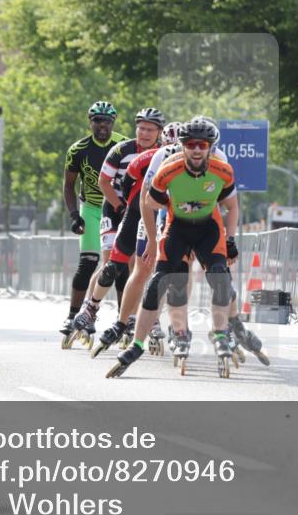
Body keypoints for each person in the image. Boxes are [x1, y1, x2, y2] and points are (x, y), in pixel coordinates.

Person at [107, 116, 239, 378]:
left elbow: (232, 206)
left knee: (221, 280)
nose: (197, 149)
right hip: (177, 227)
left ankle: (221, 334)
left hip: (208, 230)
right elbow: (147, 202)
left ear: (211, 146)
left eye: (202, 144)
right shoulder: (169, 168)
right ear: (183, 146)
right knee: (158, 283)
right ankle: (137, 345)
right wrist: (154, 240)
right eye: (191, 144)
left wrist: (231, 239)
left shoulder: (222, 170)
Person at [68, 108, 165, 345]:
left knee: (139, 265)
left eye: (149, 129)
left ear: (159, 132)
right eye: (140, 128)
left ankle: (136, 317)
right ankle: (89, 312)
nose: (143, 133)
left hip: (143, 211)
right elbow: (103, 181)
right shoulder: (121, 149)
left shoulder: (164, 152)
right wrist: (119, 206)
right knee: (111, 263)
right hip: (115, 207)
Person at [60, 101, 127, 345]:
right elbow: (69, 185)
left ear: (113, 123)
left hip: (117, 208)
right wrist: (74, 215)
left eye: (107, 121)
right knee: (88, 262)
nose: (102, 125)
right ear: (90, 122)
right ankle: (72, 317)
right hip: (91, 208)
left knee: (121, 266)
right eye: (97, 120)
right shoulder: (78, 149)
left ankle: (124, 319)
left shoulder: (123, 145)